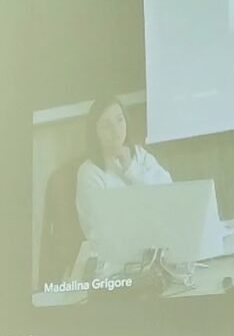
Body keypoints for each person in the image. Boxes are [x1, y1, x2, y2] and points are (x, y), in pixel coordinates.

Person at [74, 95, 172, 245]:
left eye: (120, 120)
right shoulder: (89, 172)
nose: (116, 130)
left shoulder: (140, 155)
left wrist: (130, 168)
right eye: (106, 126)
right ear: (95, 133)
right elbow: (100, 227)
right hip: (114, 250)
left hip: (153, 243)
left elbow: (168, 193)